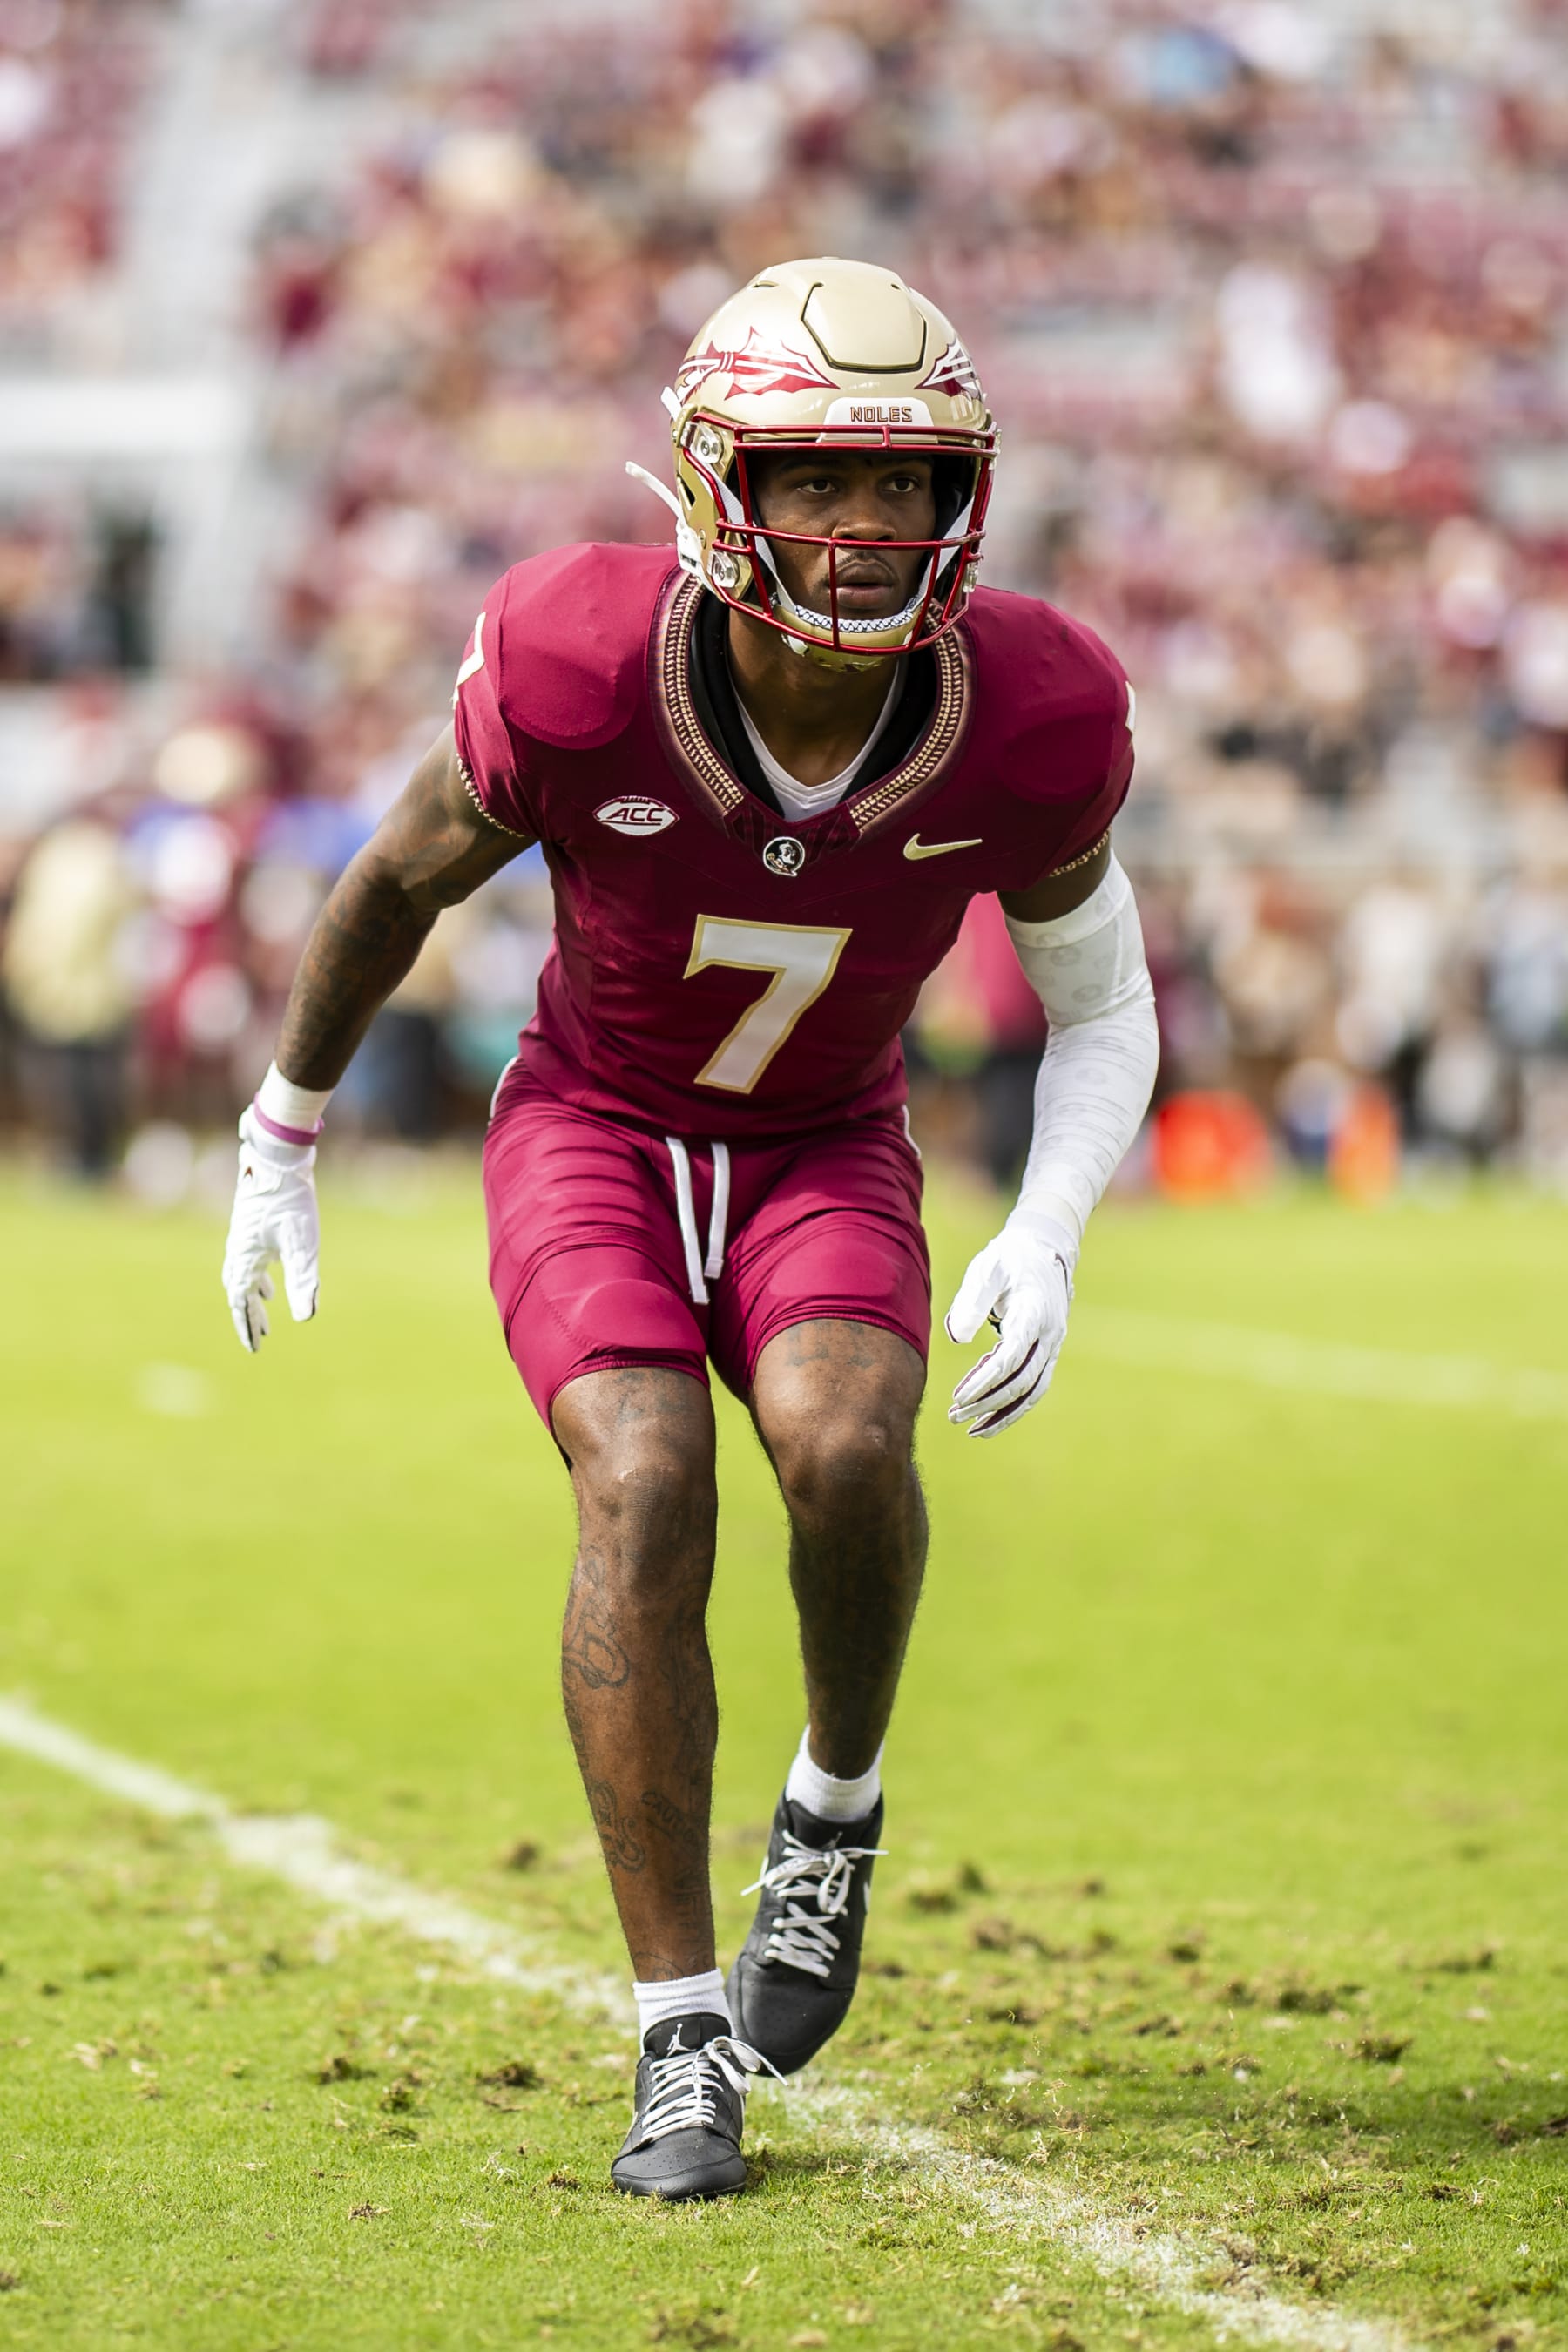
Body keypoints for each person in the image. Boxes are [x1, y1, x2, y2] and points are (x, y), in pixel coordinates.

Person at [221, 259, 1159, 2200]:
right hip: (601, 1124)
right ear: (715, 479)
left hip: (826, 1133)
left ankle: (830, 1809)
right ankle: (677, 2043)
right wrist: (280, 1126)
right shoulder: (580, 659)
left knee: (839, 1441)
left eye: (907, 486)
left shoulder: (1032, 709)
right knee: (643, 1483)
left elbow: (1102, 996)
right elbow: (395, 878)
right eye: (820, 474)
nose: (868, 527)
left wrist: (1053, 1221)